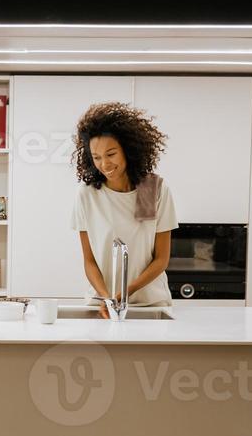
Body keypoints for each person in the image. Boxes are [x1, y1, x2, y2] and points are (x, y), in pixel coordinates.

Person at [70, 101, 178, 318]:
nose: (104, 164)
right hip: (102, 304)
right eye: (97, 157)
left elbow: (161, 259)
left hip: (149, 303)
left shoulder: (150, 189)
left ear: (127, 150)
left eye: (111, 154)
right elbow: (89, 261)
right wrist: (106, 297)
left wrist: (124, 294)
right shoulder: (88, 194)